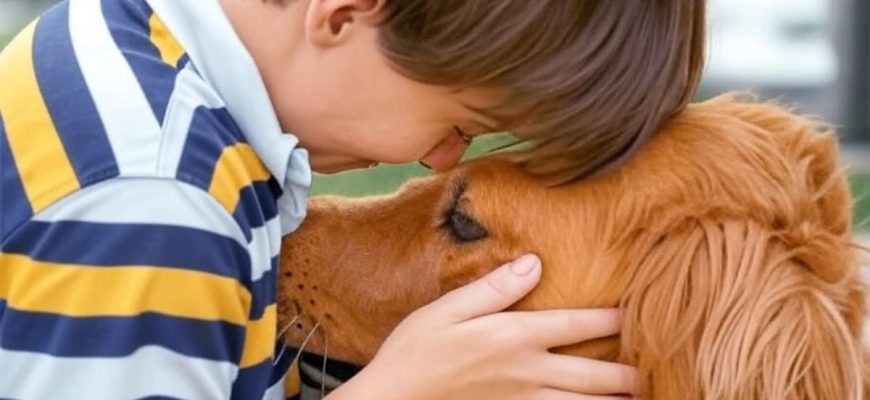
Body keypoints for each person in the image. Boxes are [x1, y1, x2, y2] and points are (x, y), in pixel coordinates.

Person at [0, 0, 705, 398]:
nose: (442, 157)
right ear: (343, 14)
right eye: (463, 124)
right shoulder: (157, 205)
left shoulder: (123, 46)